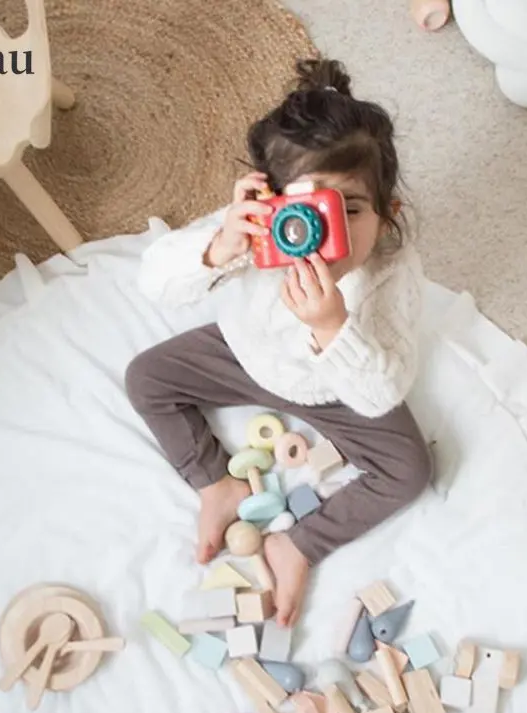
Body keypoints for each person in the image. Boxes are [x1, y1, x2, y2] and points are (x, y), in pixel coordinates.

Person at [126, 58, 431, 627]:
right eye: (305, 213)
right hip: (246, 355)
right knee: (146, 378)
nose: (324, 234)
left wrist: (332, 328)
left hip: (333, 389)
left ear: (388, 215)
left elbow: (381, 393)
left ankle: (299, 545)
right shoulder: (256, 232)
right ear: (271, 203)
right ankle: (216, 484)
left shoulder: (391, 274)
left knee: (410, 470)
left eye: (350, 211)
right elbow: (155, 281)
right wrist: (220, 246)